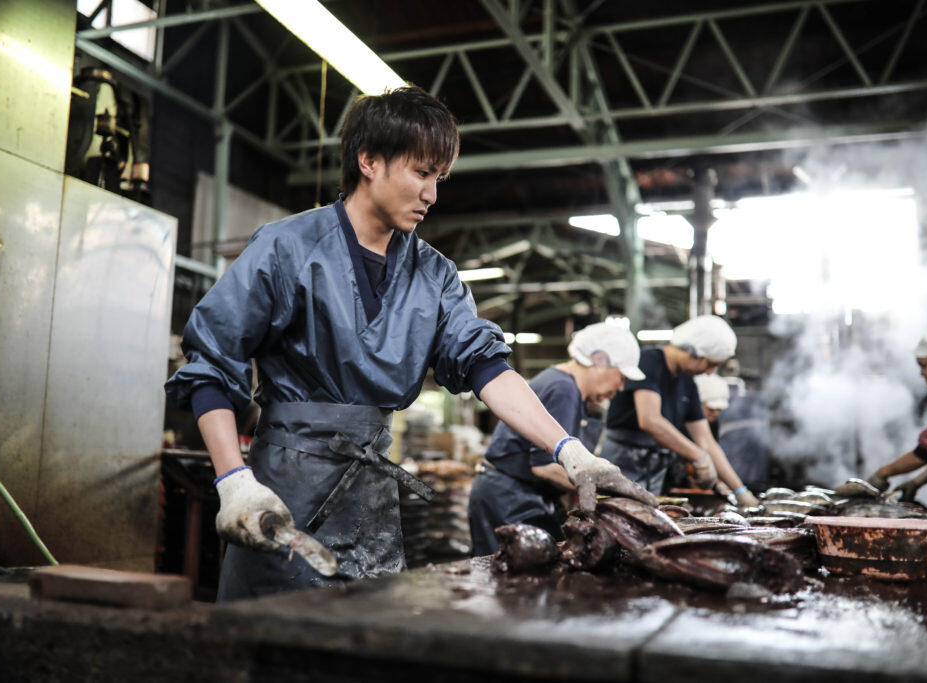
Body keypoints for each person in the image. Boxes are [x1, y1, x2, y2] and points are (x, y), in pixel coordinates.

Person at [165, 86, 653, 600]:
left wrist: (570, 450)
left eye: (439, 179)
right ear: (369, 161)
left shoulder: (435, 275)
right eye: (421, 173)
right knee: (270, 633)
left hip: (370, 498)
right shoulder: (287, 247)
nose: (432, 195)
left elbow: (487, 367)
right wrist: (233, 481)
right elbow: (211, 363)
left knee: (369, 632)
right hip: (281, 493)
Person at [467, 321, 646, 555]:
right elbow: (544, 467)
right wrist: (606, 494)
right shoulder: (564, 388)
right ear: (599, 360)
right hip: (507, 498)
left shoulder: (569, 389)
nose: (621, 387)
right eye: (621, 377)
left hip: (515, 494)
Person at [601, 315, 760, 508]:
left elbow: (706, 440)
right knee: (616, 515)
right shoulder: (649, 361)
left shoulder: (688, 382)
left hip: (654, 472)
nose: (709, 372)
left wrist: (740, 491)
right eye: (709, 364)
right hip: (622, 464)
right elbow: (650, 421)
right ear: (690, 351)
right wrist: (698, 456)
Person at [862, 331, 927, 506]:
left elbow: (924, 453)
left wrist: (882, 473)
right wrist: (916, 482)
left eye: (924, 365)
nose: (922, 373)